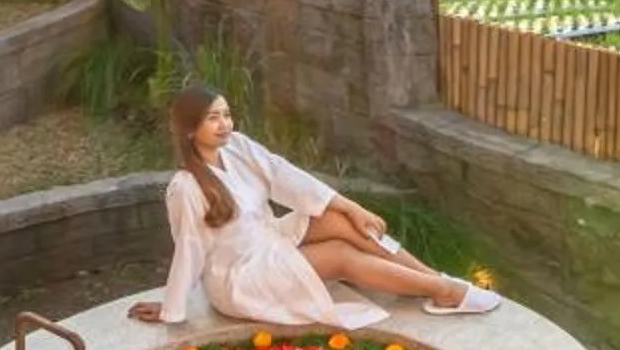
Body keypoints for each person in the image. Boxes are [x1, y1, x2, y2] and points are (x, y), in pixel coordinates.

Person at [128, 88, 498, 333]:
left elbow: (282, 174)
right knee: (339, 254)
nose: (225, 124)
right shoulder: (186, 187)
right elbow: (189, 249)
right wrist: (170, 308)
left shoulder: (236, 147)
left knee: (337, 219)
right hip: (241, 277)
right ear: (190, 129)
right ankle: (442, 289)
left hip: (270, 242)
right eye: (213, 117)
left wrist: (350, 206)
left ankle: (430, 277)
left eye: (226, 114)